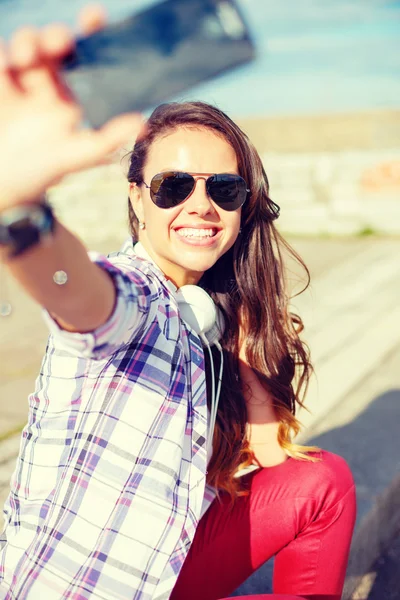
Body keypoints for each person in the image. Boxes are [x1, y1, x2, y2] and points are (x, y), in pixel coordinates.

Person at [0, 6, 356, 600]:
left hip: (159, 572)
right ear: (137, 198)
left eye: (224, 189)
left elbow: (270, 449)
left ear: (244, 206)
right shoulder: (136, 297)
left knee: (322, 481)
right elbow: (81, 295)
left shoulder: (202, 310)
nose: (201, 206)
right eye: (173, 187)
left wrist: (239, 337)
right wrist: (18, 206)